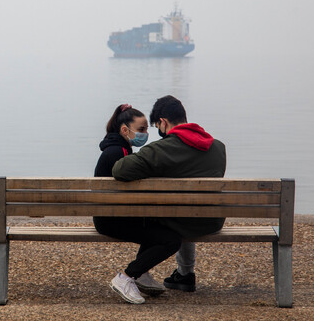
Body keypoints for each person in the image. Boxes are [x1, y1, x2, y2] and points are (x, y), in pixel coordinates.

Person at [98, 96, 227, 304]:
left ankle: (132, 274)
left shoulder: (160, 149)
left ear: (163, 122)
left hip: (180, 219)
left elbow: (120, 169)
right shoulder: (218, 147)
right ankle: (184, 275)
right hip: (211, 220)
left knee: (162, 220)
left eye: (156, 125)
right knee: (183, 213)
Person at [93, 104, 166, 304]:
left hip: (109, 216)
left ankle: (140, 273)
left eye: (146, 130)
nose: (145, 134)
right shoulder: (120, 153)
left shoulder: (117, 148)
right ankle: (127, 277)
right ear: (125, 130)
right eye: (141, 129)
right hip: (112, 221)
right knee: (170, 239)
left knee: (160, 230)